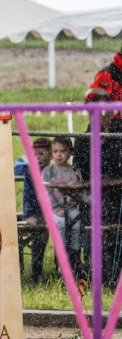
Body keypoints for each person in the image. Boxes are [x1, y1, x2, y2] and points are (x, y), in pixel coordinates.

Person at [73, 84, 122, 287]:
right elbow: (81, 173)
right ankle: (98, 275)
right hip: (91, 197)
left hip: (117, 196)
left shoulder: (119, 134)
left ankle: (114, 274)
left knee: (114, 224)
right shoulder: (83, 140)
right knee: (91, 222)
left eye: (103, 110)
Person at [42, 136, 84, 269]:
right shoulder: (48, 171)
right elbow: (46, 194)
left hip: (71, 207)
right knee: (61, 225)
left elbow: (80, 191)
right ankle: (62, 261)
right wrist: (56, 209)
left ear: (69, 152)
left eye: (62, 151)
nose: (58, 155)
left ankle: (75, 253)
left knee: (77, 221)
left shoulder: (74, 171)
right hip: (54, 210)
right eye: (55, 151)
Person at [14, 137, 52, 281]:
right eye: (34, 155)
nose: (37, 158)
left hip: (54, 212)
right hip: (37, 213)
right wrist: (29, 215)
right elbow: (27, 196)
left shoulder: (54, 171)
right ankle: (35, 272)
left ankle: (62, 270)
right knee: (39, 235)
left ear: (50, 154)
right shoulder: (31, 172)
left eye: (41, 154)